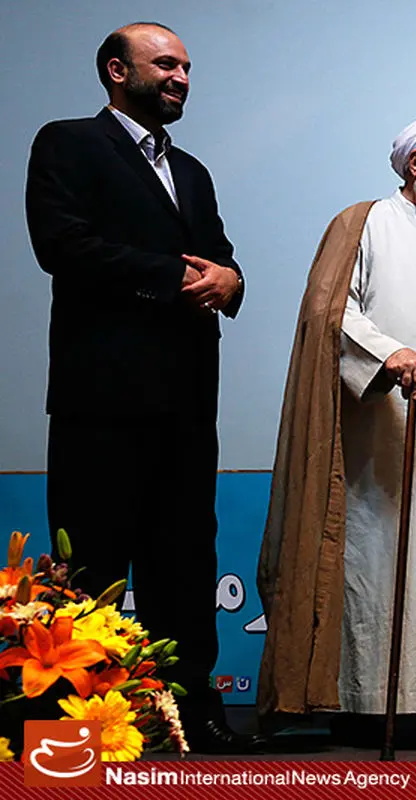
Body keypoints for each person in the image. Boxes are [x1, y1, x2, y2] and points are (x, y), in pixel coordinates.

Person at [24, 22, 257, 754]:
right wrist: (173, 277)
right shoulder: (67, 142)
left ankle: (194, 717)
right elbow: (61, 246)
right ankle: (73, 735)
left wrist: (233, 282)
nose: (181, 77)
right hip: (101, 400)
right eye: (166, 64)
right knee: (90, 566)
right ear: (116, 71)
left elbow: (219, 259)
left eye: (187, 66)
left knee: (185, 563)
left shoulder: (192, 170)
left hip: (186, 404)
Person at [257, 109, 416, 746]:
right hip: (384, 435)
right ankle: (369, 703)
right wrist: (386, 354)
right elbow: (329, 310)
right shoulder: (363, 222)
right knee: (379, 561)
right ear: (415, 163)